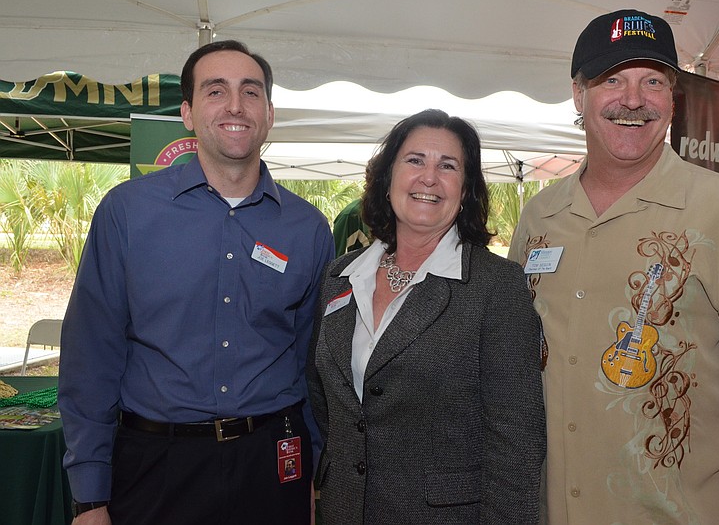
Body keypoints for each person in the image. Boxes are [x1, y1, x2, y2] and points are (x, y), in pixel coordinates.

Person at [508, 9, 719, 524]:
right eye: (611, 79)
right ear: (578, 94)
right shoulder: (539, 218)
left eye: (653, 81)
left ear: (672, 98)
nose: (633, 99)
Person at [58, 40, 334, 525]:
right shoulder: (126, 213)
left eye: (251, 92)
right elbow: (91, 356)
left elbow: (312, 364)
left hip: (272, 466)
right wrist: (89, 497)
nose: (235, 106)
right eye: (215, 91)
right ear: (187, 113)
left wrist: (313, 475)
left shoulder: (308, 228)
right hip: (157, 466)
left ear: (269, 114)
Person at [307, 109, 545, 524]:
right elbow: (324, 403)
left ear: (465, 190)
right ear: (387, 179)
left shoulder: (496, 286)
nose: (429, 178)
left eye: (448, 166)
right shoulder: (339, 277)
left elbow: (516, 443)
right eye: (415, 160)